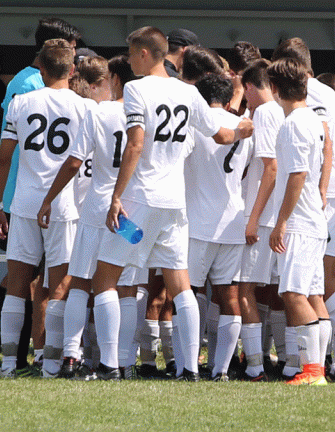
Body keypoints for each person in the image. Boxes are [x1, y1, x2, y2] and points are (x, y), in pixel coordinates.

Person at [89, 26, 253, 382]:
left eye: (132, 53)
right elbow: (222, 134)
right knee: (181, 284)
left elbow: (135, 145)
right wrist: (243, 129)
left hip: (141, 199)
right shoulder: (188, 92)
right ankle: (191, 369)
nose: (130, 60)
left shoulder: (136, 89)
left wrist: (116, 196)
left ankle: (109, 366)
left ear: (145, 53)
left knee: (106, 279)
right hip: (174, 203)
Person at [0, 17, 81, 377]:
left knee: (18, 284)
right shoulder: (83, 107)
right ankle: (52, 362)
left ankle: (7, 363)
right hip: (63, 206)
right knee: (57, 284)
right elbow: (79, 161)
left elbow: (3, 156)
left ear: (41, 64)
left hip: (23, 203)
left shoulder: (21, 101)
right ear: (71, 68)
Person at [272, 37, 335, 383]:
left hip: (329, 197)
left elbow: (308, 159)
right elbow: (327, 139)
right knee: (332, 282)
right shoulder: (326, 92)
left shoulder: (302, 105)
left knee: (312, 286)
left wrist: (322, 189)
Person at [36, 55, 138, 380]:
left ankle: (70, 356)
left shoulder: (99, 112)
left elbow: (73, 162)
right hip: (133, 208)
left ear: (116, 80)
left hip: (97, 207)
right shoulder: (144, 115)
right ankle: (122, 362)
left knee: (80, 279)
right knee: (126, 286)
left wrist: (48, 199)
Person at [185, 73, 253, 381]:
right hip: (233, 221)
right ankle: (221, 370)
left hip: (197, 222)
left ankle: (186, 366)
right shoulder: (242, 127)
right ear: (228, 99)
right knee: (229, 295)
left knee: (188, 293)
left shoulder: (195, 123)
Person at [267, 57, 329, 386]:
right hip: (312, 220)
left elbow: (297, 175)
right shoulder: (313, 120)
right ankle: (318, 368)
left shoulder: (293, 123)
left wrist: (281, 222)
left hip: (301, 223)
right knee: (313, 295)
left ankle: (313, 371)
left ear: (275, 89)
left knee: (293, 294)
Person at [239, 58, 285, 381]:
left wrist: (253, 218)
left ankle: (254, 365)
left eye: (245, 93)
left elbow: (271, 167)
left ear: (251, 87)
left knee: (244, 290)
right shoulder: (282, 111)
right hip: (273, 213)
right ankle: (276, 357)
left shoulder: (266, 113)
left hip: (261, 214)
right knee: (268, 292)